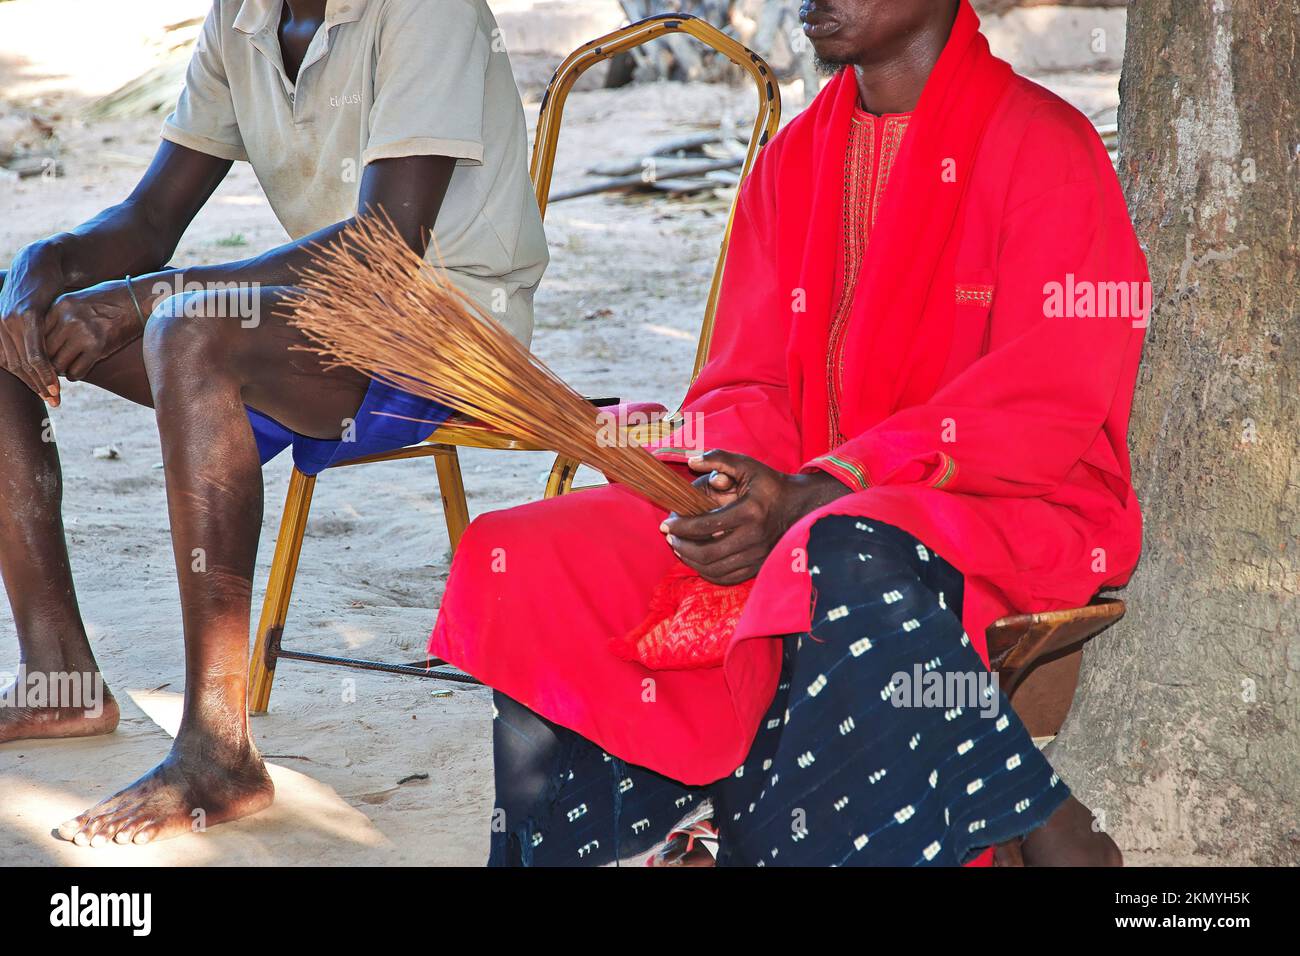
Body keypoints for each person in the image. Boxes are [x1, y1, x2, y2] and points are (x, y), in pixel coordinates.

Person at [428, 0, 1147, 866]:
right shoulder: (792, 160)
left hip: (998, 504)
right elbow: (749, 379)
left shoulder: (1045, 144)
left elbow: (1044, 397)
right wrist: (718, 475)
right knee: (526, 557)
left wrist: (826, 487)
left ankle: (790, 832)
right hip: (806, 500)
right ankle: (597, 844)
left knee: (841, 545)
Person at [0, 0, 546, 846]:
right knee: (14, 323)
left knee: (190, 326)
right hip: (313, 326)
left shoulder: (425, 10)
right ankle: (60, 673)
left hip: (453, 331)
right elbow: (149, 220)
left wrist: (152, 297)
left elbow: (385, 245)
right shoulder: (244, 19)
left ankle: (219, 751)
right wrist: (41, 267)